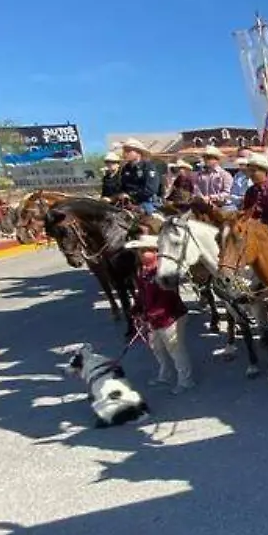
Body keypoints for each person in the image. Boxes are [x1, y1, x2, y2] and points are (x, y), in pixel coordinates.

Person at [124, 235, 195, 395]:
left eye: (144, 251)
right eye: (139, 251)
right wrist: (136, 310)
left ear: (156, 252)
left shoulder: (164, 273)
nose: (140, 255)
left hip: (170, 317)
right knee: (157, 348)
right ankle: (166, 374)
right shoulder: (143, 272)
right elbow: (142, 295)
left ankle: (186, 381)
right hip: (154, 319)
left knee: (175, 349)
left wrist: (148, 316)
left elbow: (167, 300)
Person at [118, 139, 161, 215]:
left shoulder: (148, 166)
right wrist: (121, 194)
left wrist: (131, 195)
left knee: (147, 224)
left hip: (146, 202)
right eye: (124, 151)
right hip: (126, 202)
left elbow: (151, 189)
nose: (125, 153)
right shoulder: (126, 168)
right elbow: (122, 186)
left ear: (138, 153)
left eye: (128, 151)